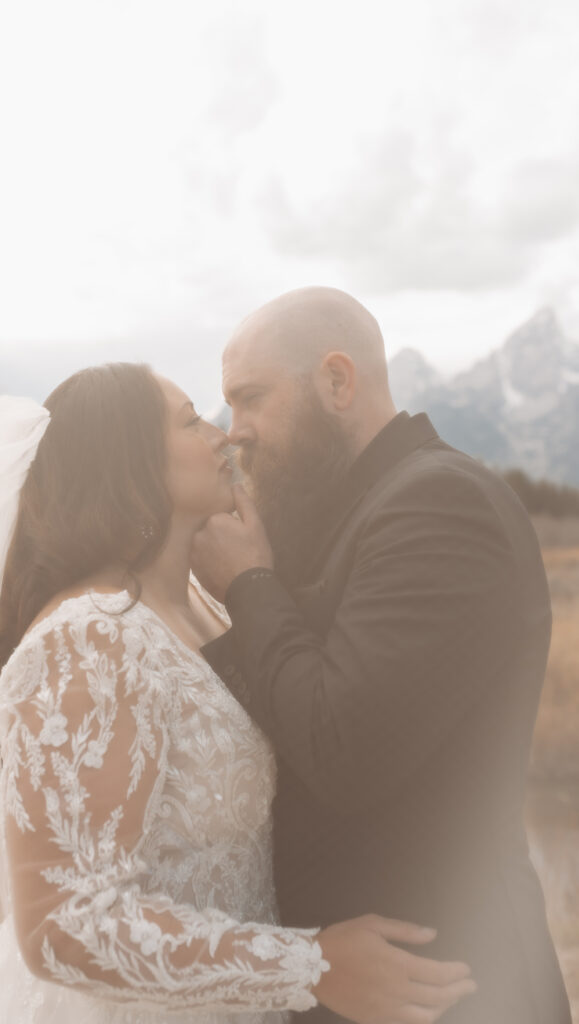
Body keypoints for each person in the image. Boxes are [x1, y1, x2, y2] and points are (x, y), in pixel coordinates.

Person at [0, 362, 476, 1024]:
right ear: (128, 462)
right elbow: (60, 923)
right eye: (190, 419)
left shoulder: (209, 610)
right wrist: (314, 966)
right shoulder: (87, 638)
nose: (223, 435)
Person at [193, 287, 572, 1024]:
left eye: (249, 400)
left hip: (449, 988)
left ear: (337, 382)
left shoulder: (438, 505)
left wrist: (248, 581)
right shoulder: (353, 507)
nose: (234, 433)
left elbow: (344, 747)